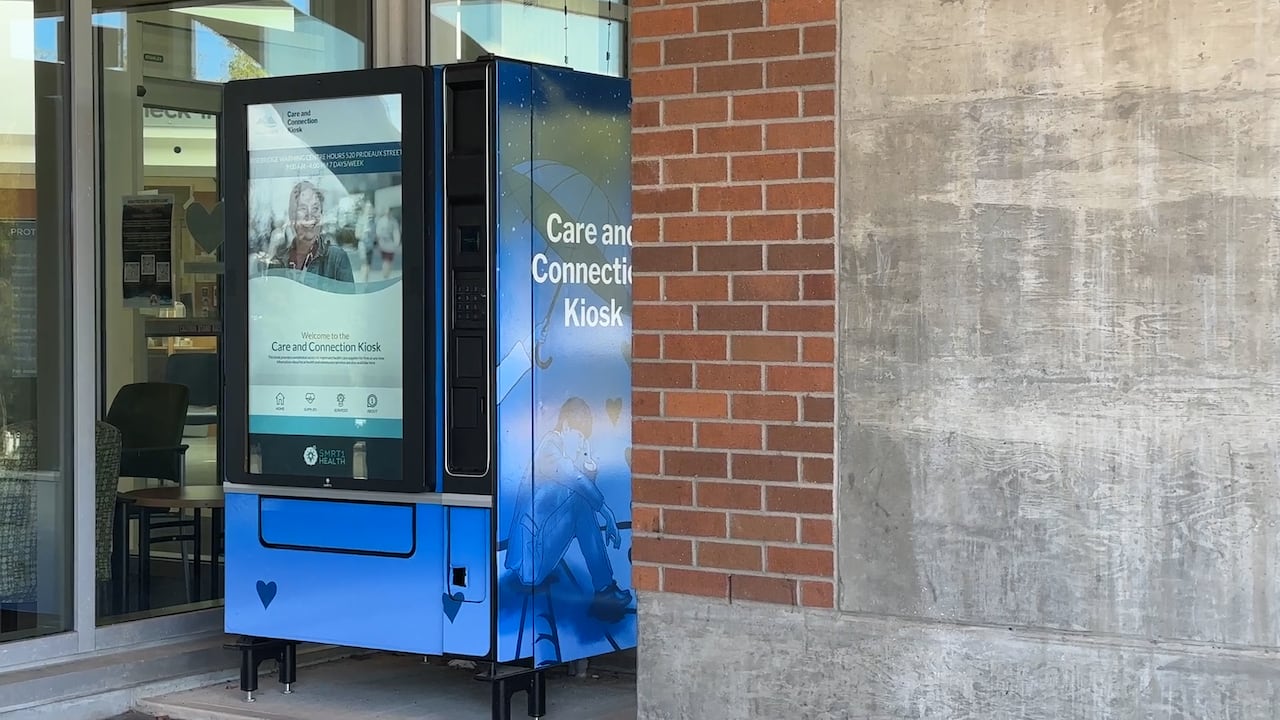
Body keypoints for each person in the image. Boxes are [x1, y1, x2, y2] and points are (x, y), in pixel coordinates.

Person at [504, 397, 632, 622]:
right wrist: (606, 512)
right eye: (580, 435)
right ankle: (604, 589)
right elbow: (574, 478)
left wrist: (588, 461)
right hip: (529, 561)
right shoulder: (549, 448)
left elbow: (579, 483)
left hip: (539, 550)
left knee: (580, 504)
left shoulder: (564, 452)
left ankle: (605, 589)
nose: (582, 442)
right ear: (565, 427)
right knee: (580, 504)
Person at [268, 180, 353, 282]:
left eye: (315, 208)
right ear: (292, 216)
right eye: (303, 208)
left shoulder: (337, 259)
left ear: (321, 215)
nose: (310, 215)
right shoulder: (279, 262)